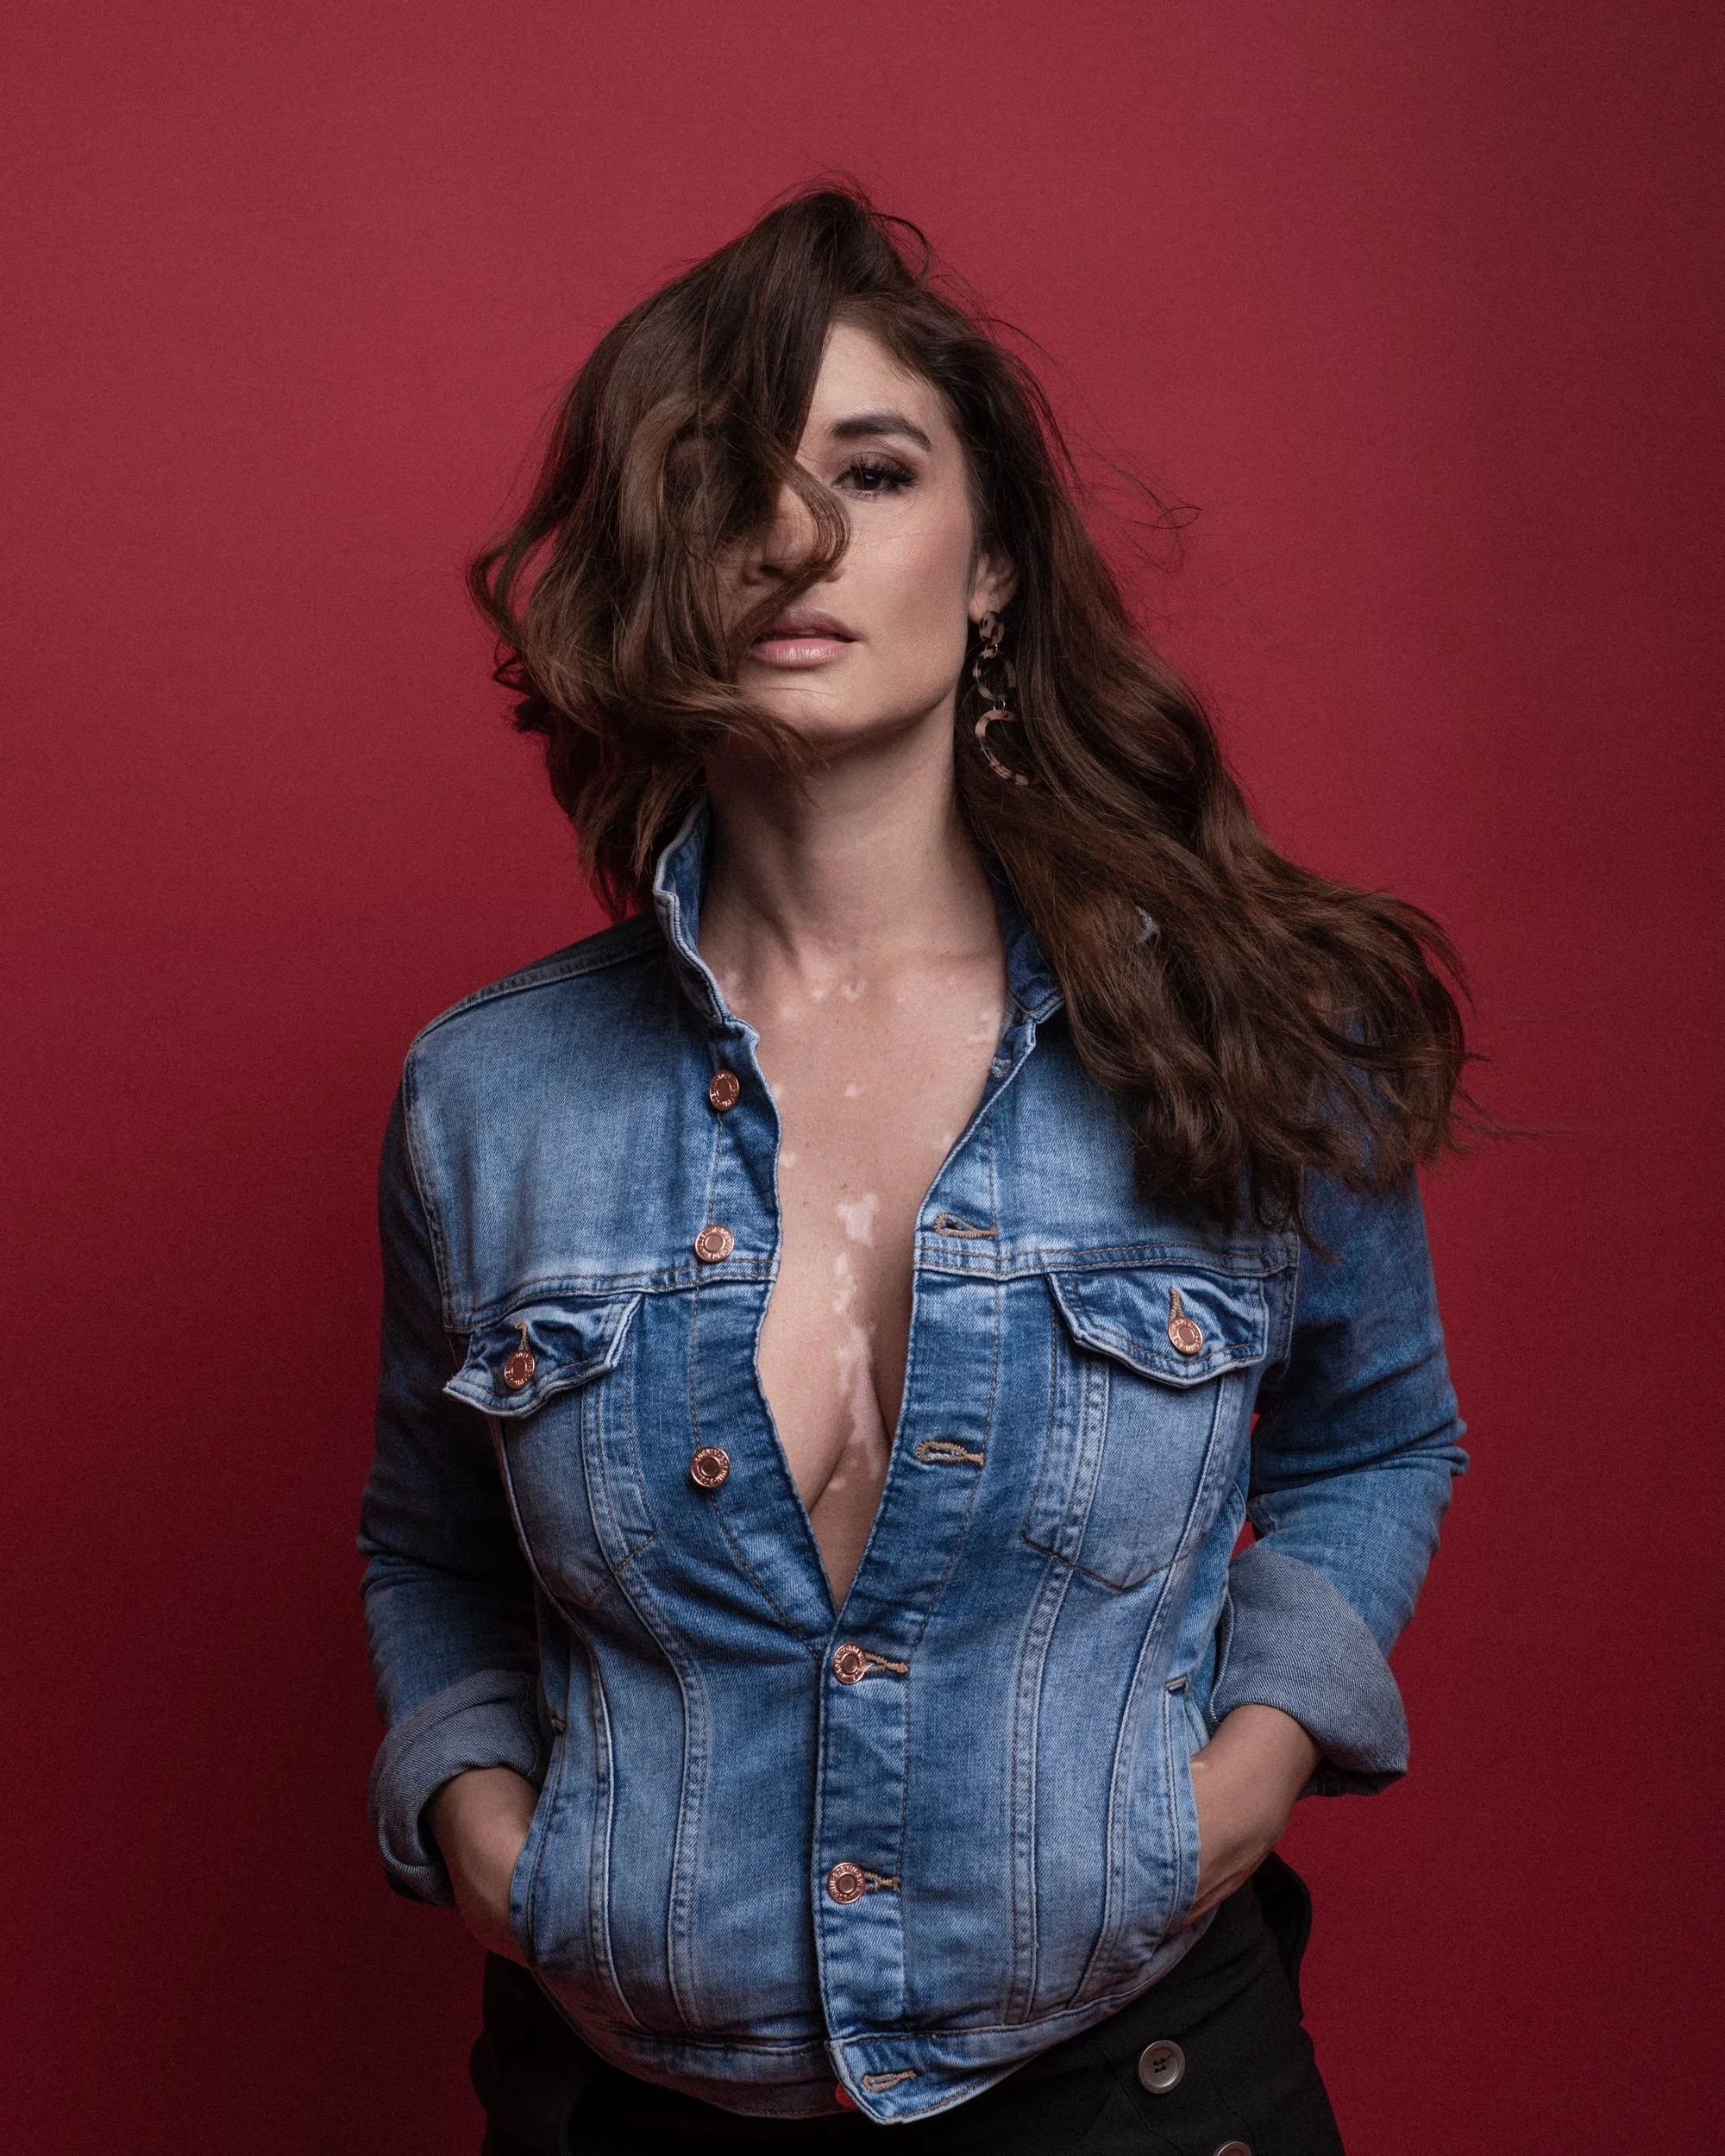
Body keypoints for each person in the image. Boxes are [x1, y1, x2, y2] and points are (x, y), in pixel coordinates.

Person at [359, 186, 1471, 2154]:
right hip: (623, 2100)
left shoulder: (1245, 1028)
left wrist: (1254, 1764)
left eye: (872, 471)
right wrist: (484, 1831)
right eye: (721, 483)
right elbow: (432, 1542)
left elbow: (1377, 1435)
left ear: (989, 570)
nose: (793, 538)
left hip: (1137, 2083)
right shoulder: (492, 1097)